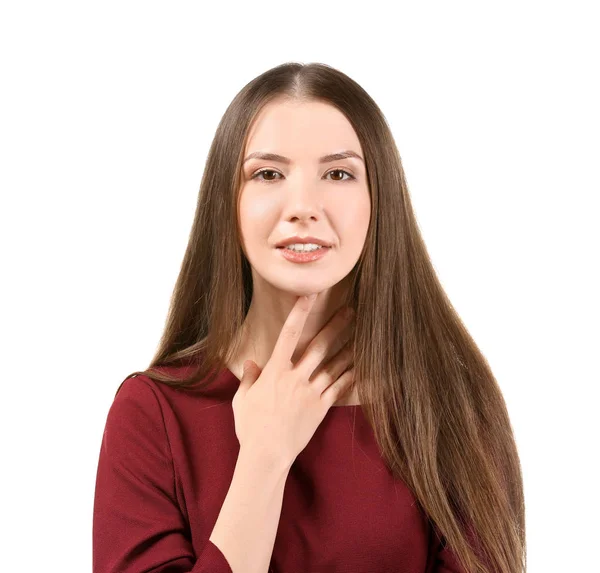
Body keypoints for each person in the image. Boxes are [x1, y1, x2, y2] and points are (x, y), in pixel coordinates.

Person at [93, 62, 526, 573]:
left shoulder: (451, 406)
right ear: (226, 204)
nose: (303, 205)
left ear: (378, 202)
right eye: (268, 174)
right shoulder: (152, 414)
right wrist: (263, 461)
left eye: (338, 173)